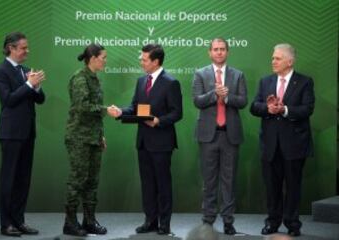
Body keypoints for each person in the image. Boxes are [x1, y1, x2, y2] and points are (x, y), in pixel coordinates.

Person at [107, 44, 183, 235]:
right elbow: (135, 107)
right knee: (148, 184)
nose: (141, 62)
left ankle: (164, 224)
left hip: (162, 142)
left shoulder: (171, 82)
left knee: (163, 184)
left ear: (156, 61)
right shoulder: (141, 81)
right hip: (143, 141)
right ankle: (150, 221)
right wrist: (120, 112)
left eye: (144, 59)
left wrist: (159, 121)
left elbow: (177, 113)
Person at [250, 43, 315, 237]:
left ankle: (292, 224)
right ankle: (272, 222)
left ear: (290, 61)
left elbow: (307, 109)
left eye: (277, 58)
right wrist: (267, 109)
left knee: (293, 186)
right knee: (272, 187)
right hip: (270, 145)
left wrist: (284, 110)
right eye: (273, 58)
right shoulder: (265, 82)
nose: (273, 61)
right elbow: (254, 106)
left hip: (294, 144)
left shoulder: (304, 82)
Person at [192, 37, 247, 235]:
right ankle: (208, 219)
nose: (219, 52)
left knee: (229, 180)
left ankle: (228, 221)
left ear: (228, 52)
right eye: (215, 49)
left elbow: (243, 101)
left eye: (222, 49)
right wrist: (215, 94)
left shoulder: (238, 75)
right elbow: (197, 100)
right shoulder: (200, 74)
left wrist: (227, 97)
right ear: (210, 52)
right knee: (208, 181)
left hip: (230, 135)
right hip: (208, 136)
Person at [0, 32, 45, 237]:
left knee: (23, 179)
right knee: (9, 179)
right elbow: (8, 100)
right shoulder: (0, 71)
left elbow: (40, 100)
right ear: (11, 48)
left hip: (28, 132)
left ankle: (19, 221)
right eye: (23, 48)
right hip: (11, 133)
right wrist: (29, 85)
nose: (27, 51)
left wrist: (37, 87)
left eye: (27, 47)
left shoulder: (25, 71)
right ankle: (6, 224)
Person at [63, 44, 108, 236]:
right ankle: (70, 223)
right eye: (103, 57)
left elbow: (94, 112)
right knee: (77, 181)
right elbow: (83, 107)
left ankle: (89, 221)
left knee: (92, 182)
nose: (105, 60)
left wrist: (100, 136)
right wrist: (107, 110)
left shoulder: (95, 79)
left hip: (93, 138)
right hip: (79, 138)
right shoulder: (79, 78)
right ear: (93, 58)